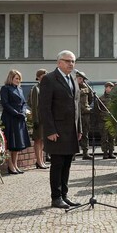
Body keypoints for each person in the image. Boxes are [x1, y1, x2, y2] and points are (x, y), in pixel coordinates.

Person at [39, 51, 83, 209]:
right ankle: (56, 197)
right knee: (57, 164)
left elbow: (77, 106)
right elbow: (44, 107)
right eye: (68, 61)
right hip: (56, 130)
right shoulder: (49, 79)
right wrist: (50, 130)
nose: (71, 64)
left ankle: (64, 195)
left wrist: (79, 128)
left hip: (71, 130)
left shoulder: (73, 79)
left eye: (73, 61)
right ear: (59, 63)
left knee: (67, 164)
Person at [0, 69, 31, 175]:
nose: (18, 80)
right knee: (10, 143)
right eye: (16, 78)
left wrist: (22, 112)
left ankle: (15, 164)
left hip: (19, 118)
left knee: (17, 143)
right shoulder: (5, 88)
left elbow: (24, 103)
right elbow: (5, 104)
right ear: (11, 78)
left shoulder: (20, 89)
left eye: (19, 79)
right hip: (10, 118)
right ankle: (10, 165)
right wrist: (16, 113)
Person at [29, 69, 48, 169]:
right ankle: (38, 161)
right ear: (39, 77)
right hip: (39, 119)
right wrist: (35, 119)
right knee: (38, 140)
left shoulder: (45, 87)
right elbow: (34, 105)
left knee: (42, 140)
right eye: (43, 75)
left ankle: (41, 160)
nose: (44, 77)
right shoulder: (36, 88)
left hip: (45, 118)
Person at [76, 72, 93, 160]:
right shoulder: (72, 87)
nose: (81, 80)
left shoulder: (87, 88)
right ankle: (73, 154)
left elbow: (90, 99)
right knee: (75, 134)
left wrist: (85, 107)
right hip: (75, 114)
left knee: (85, 134)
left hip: (85, 114)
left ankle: (85, 153)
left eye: (82, 78)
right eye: (79, 78)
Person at [99, 82, 115, 159]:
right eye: (109, 87)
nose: (110, 89)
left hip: (112, 121)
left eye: (111, 87)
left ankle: (111, 152)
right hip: (104, 121)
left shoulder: (114, 98)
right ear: (105, 88)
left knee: (112, 137)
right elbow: (97, 110)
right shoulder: (101, 99)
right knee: (104, 138)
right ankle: (105, 153)